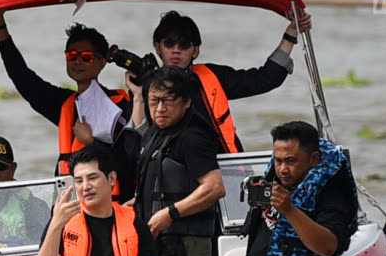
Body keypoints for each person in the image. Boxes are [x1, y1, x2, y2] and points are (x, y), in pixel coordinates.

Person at [0, 12, 136, 201]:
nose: (78, 61)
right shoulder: (64, 103)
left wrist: (92, 143)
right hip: (70, 206)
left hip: (110, 207)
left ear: (101, 63)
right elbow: (22, 77)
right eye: (72, 55)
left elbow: (129, 159)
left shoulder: (121, 106)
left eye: (87, 57)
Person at [126, 9, 313, 154]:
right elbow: (137, 140)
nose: (176, 50)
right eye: (169, 43)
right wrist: (138, 97)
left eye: (184, 44)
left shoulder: (213, 76)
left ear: (195, 51)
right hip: (166, 171)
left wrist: (290, 34)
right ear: (158, 48)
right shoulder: (145, 86)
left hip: (218, 165)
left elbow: (265, 79)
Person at [230, 120, 358, 256]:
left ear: (314, 159)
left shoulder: (332, 189)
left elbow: (328, 247)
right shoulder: (278, 175)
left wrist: (289, 210)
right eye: (278, 160)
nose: (283, 169)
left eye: (291, 161)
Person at [133, 66, 226, 256]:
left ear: (187, 102)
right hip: (158, 243)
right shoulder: (153, 133)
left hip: (187, 245)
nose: (160, 108)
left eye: (169, 100)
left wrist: (170, 213)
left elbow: (214, 187)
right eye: (154, 101)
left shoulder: (194, 136)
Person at [36, 146, 161, 256]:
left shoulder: (135, 222)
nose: (85, 186)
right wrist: (55, 225)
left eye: (92, 178)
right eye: (79, 181)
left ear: (112, 178)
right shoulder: (62, 221)